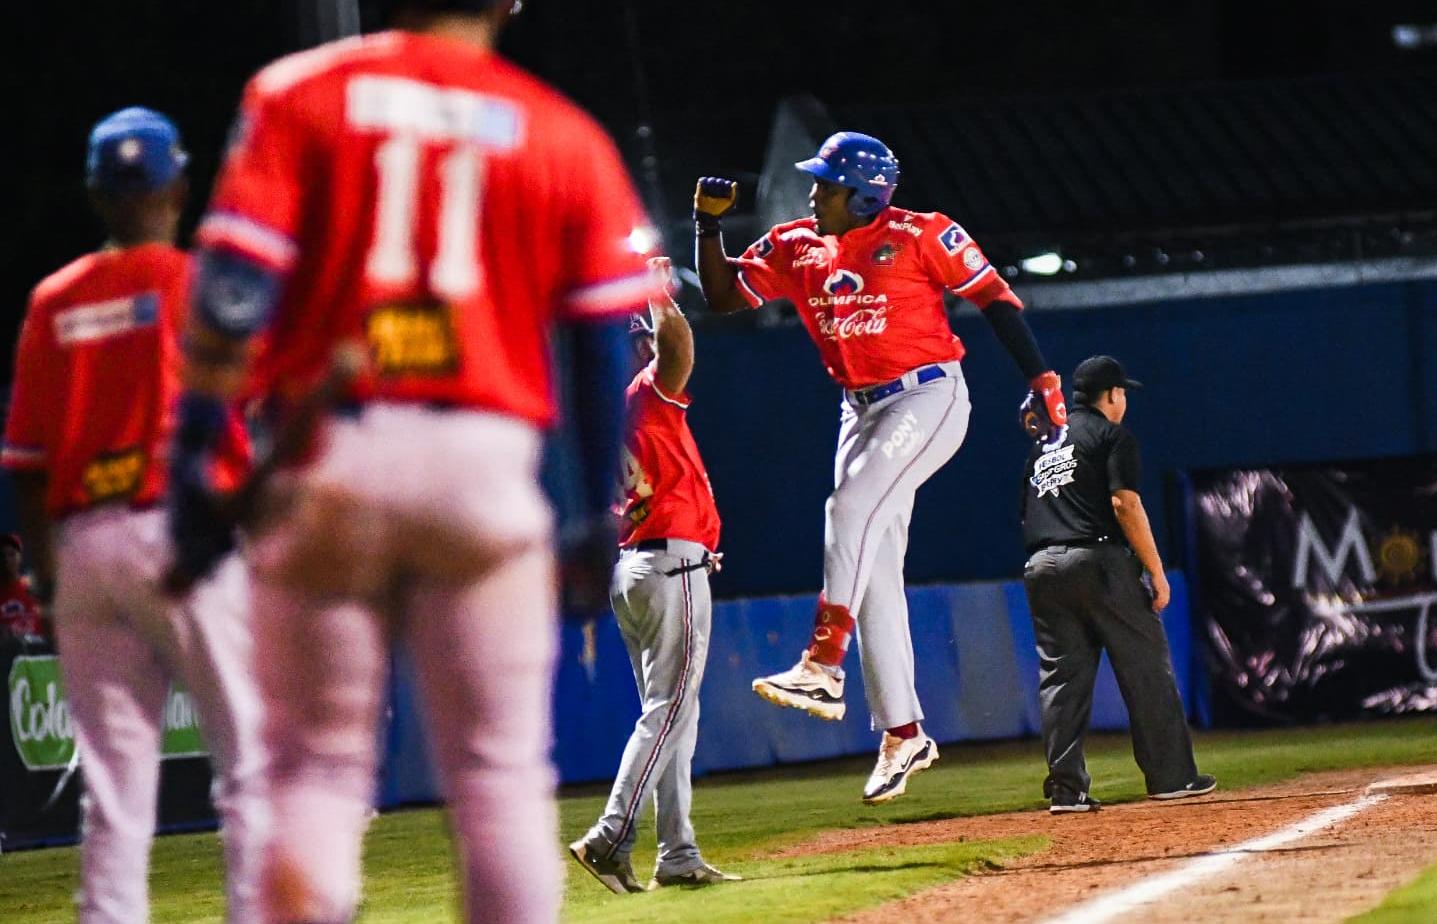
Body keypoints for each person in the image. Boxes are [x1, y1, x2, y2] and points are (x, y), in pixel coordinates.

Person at [170, 1, 660, 920]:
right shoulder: (562, 131)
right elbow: (601, 347)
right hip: (483, 461)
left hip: (329, 452)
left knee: (312, 774)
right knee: (498, 777)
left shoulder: (301, 92)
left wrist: (199, 451)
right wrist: (596, 511)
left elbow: (234, 288)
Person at [694, 132, 1070, 804]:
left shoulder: (923, 233)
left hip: (928, 395)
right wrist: (707, 226)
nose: (813, 193)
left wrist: (1041, 376)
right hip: (859, 410)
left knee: (847, 510)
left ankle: (823, 662)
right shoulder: (794, 243)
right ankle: (902, 732)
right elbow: (722, 297)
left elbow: (995, 300)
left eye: (826, 184)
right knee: (869, 570)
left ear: (864, 192)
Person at [2, 108, 266, 922]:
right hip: (177, 526)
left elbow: (27, 469)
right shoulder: (196, 283)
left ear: (95, 193)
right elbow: (246, 417)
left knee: (114, 788)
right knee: (251, 761)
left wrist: (51, 576)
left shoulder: (53, 301)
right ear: (179, 184)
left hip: (84, 545)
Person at [570, 257, 740, 893]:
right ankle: (611, 835)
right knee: (669, 712)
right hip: (669, 565)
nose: (645, 339)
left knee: (672, 716)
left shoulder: (604, 419)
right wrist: (664, 298)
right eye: (639, 334)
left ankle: (678, 853)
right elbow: (679, 348)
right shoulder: (644, 396)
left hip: (638, 566)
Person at [1019, 355, 1215, 813]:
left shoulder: (1043, 446)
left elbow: (1026, 513)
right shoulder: (1112, 436)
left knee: (1061, 682)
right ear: (1111, 395)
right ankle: (1172, 777)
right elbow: (1124, 504)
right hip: (1100, 562)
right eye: (1122, 392)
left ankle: (1067, 790)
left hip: (1042, 565)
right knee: (1146, 669)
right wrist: (1156, 570)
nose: (1123, 400)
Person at [0, 534, 46, 641]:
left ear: (20, 557)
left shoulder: (32, 586)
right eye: (2, 555)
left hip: (38, 651)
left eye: (12, 554)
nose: (7, 560)